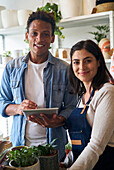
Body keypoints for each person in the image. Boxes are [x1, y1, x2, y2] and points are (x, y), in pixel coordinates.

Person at [0, 10, 77, 161]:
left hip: (53, 148)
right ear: (26, 36)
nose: (39, 39)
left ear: (52, 38)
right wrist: (18, 108)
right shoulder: (11, 68)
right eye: (34, 33)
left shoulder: (65, 69)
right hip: (21, 148)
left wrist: (60, 119)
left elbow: (72, 106)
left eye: (45, 34)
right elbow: (2, 103)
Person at [65, 40, 114, 170]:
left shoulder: (107, 92)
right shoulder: (81, 96)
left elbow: (96, 145)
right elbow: (78, 142)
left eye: (88, 60)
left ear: (98, 62)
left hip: (104, 164)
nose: (81, 67)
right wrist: (67, 162)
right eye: (76, 62)